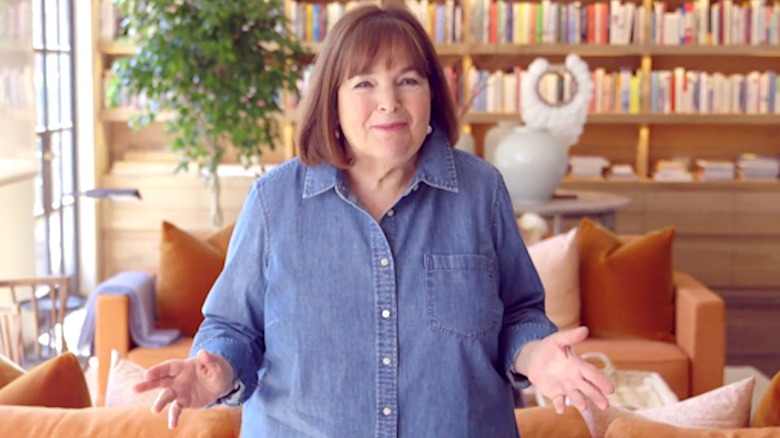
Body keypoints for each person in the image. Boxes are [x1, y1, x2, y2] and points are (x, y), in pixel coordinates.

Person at [132, 4, 614, 436]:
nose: (389, 102)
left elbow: (517, 314)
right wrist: (215, 366)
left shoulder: (481, 191)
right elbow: (235, 327)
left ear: (431, 95)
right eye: (364, 83)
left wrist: (538, 354)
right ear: (332, 102)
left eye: (408, 80)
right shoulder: (274, 200)